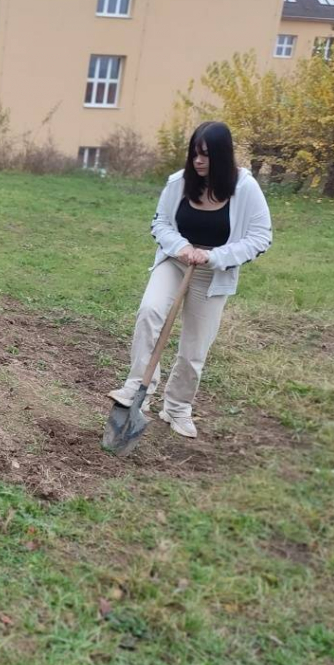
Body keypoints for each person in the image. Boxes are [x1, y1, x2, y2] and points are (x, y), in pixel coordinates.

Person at [108, 121, 272, 437]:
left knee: (195, 347)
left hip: (213, 272)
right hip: (175, 262)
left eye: (205, 155)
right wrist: (181, 247)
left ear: (222, 155)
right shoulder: (179, 183)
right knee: (149, 312)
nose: (198, 161)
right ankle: (137, 389)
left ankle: (177, 407)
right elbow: (160, 223)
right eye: (194, 153)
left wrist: (214, 256)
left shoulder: (245, 188)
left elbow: (260, 237)